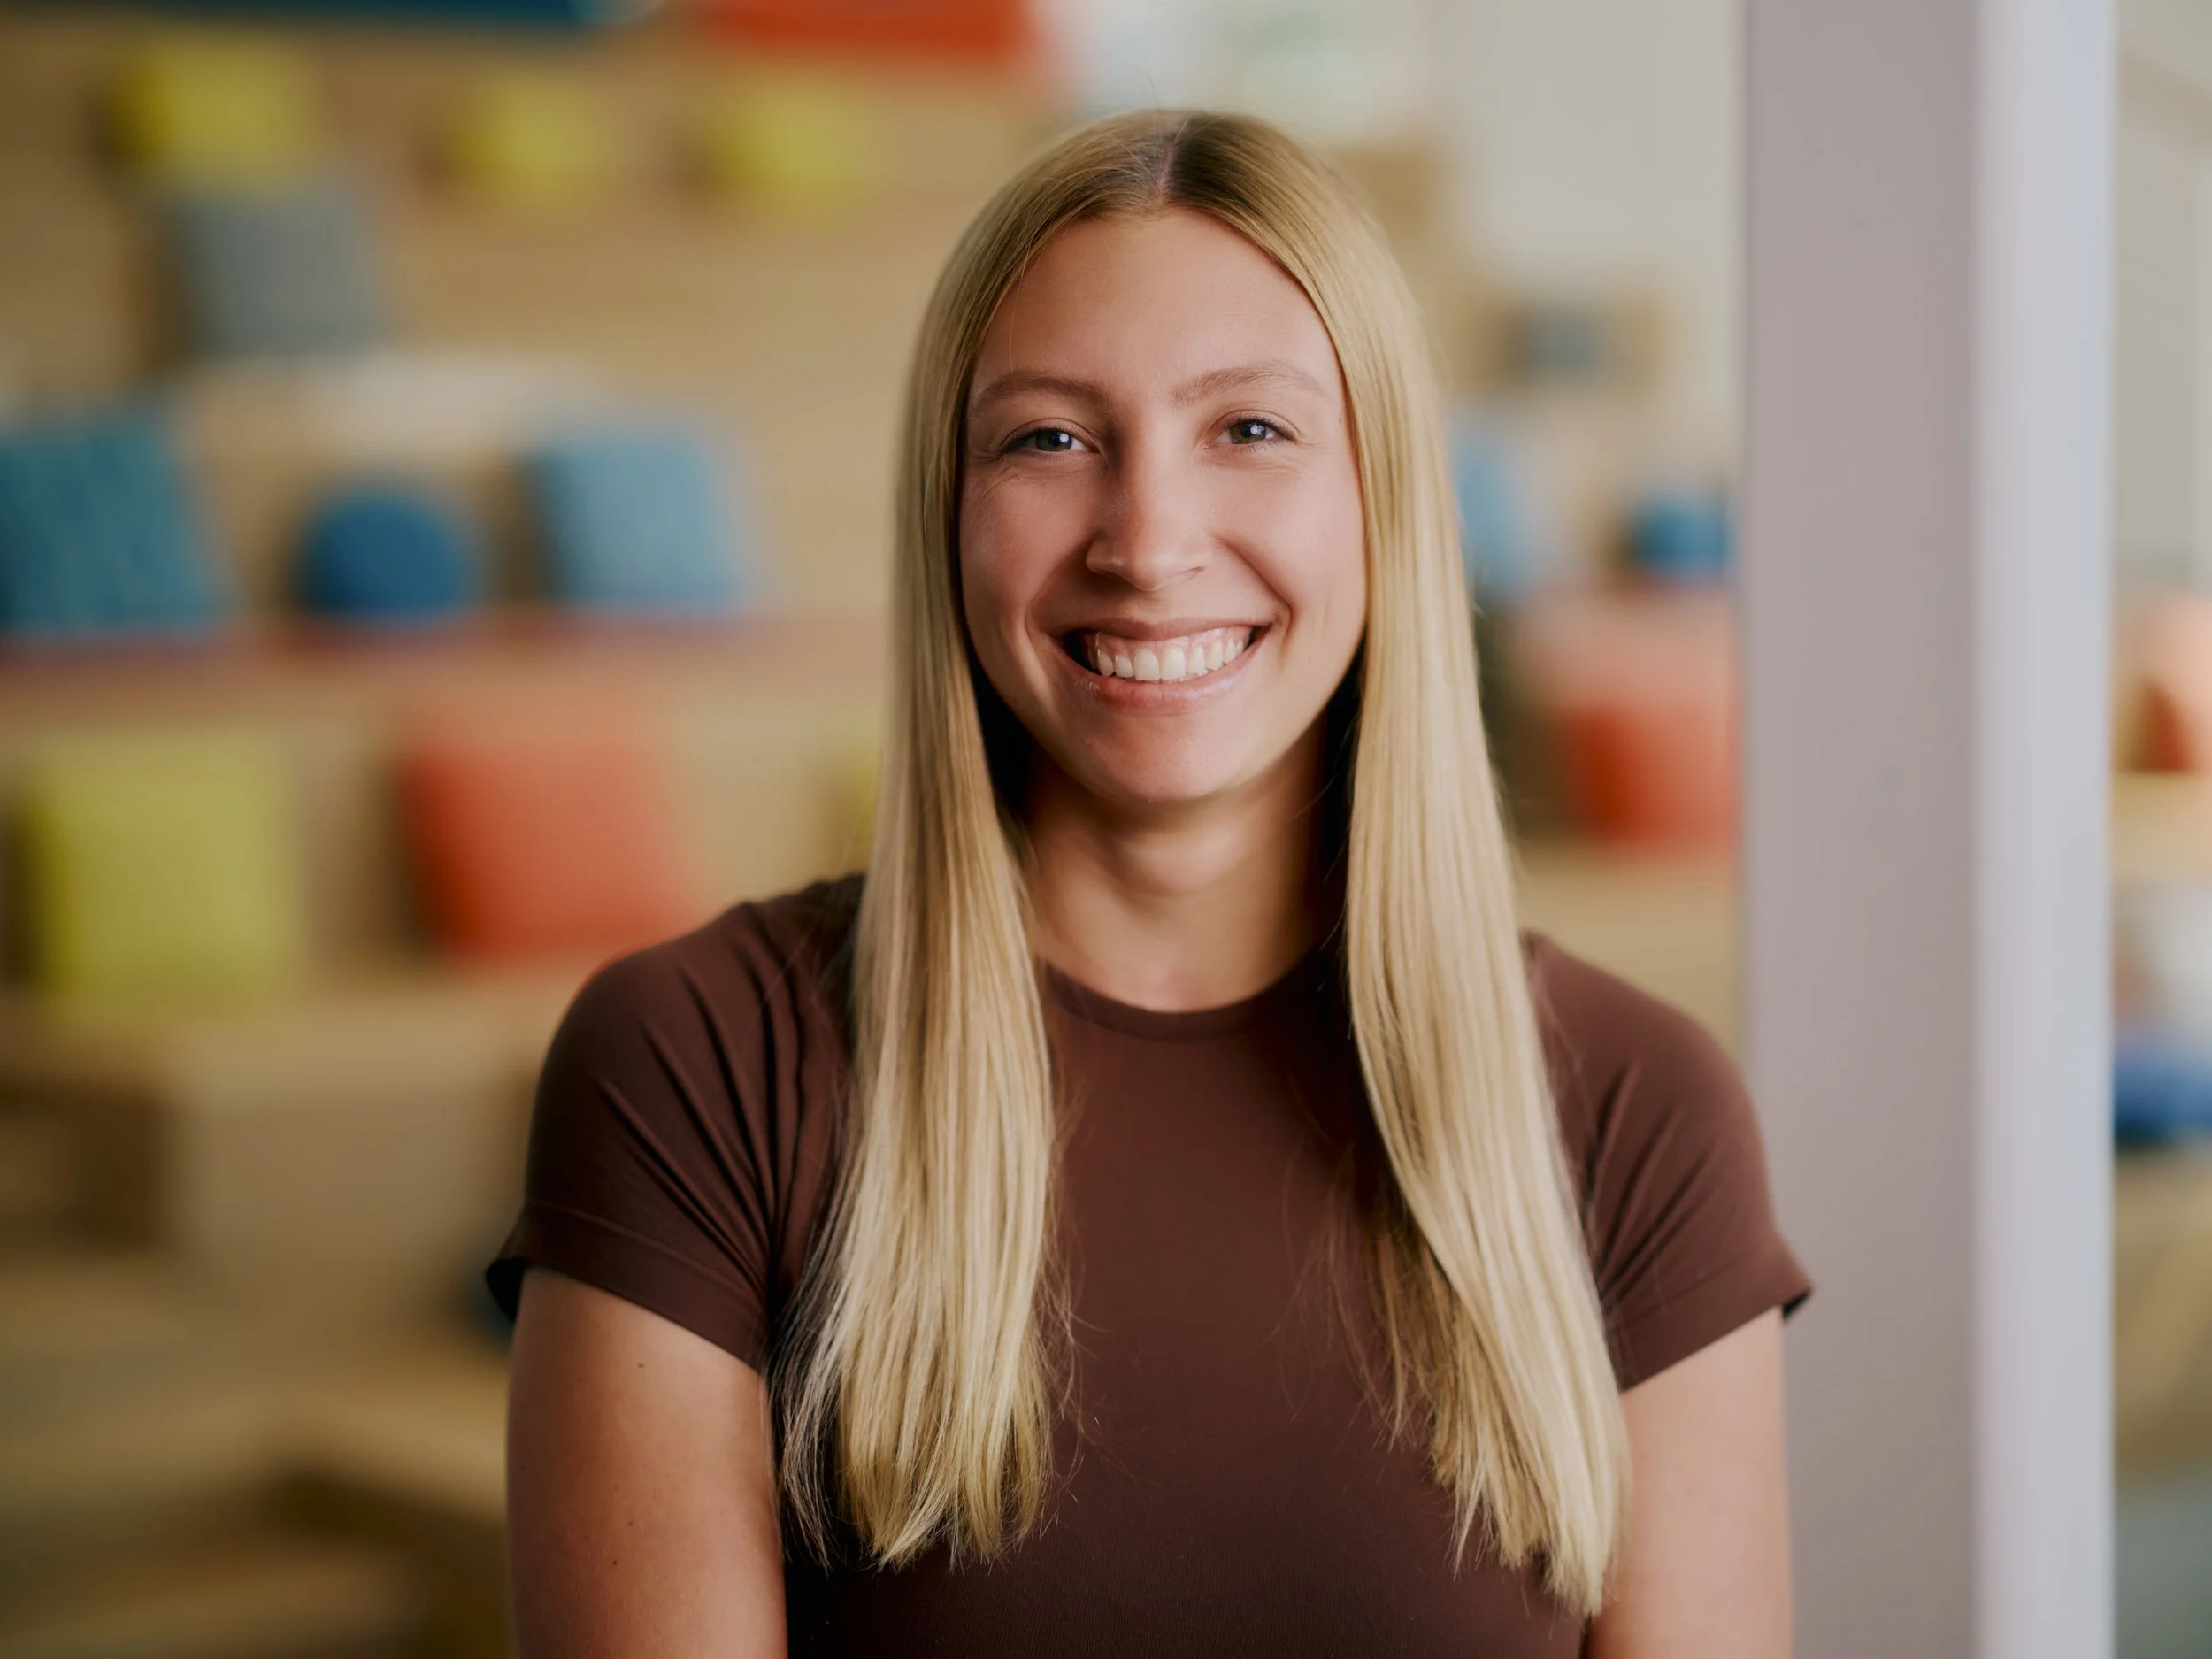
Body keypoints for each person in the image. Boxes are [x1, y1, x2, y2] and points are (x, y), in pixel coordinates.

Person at [488, 108, 1810, 1657]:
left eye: (1249, 430)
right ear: (951, 511)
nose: (1149, 539)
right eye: (1051, 438)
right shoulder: (701, 1061)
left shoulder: (1635, 1109)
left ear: (1382, 501)